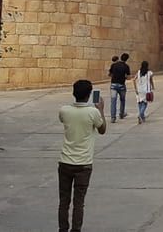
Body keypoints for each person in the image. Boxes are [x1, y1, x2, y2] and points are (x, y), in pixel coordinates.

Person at [57, 79, 105, 232]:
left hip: (65, 161)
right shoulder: (93, 112)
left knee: (64, 201)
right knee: (79, 202)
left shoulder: (64, 110)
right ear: (89, 95)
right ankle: (76, 230)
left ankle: (62, 229)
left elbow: (63, 120)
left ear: (73, 93)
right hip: (83, 164)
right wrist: (101, 110)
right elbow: (102, 129)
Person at [107, 53, 130, 123]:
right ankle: (121, 114)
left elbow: (110, 74)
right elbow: (128, 76)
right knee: (122, 100)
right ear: (127, 59)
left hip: (113, 85)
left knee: (113, 101)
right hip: (121, 85)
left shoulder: (114, 65)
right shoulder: (126, 66)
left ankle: (113, 118)